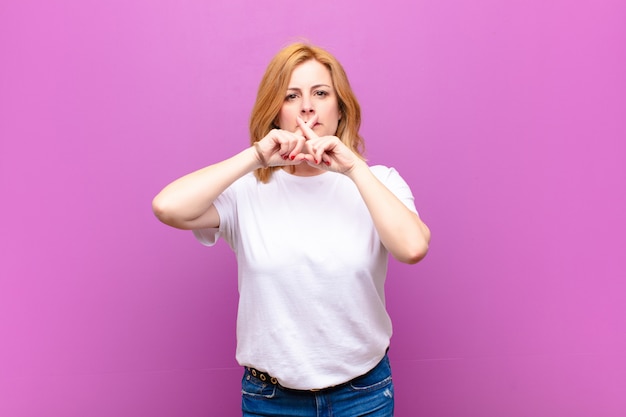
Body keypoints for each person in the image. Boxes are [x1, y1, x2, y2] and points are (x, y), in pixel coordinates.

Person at [152, 42, 431, 417]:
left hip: (363, 396)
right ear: (276, 112)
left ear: (340, 108)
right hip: (271, 401)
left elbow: (413, 248)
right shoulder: (247, 191)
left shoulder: (378, 182)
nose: (307, 107)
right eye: (291, 95)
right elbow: (167, 207)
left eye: (320, 93)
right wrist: (255, 157)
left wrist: (353, 168)